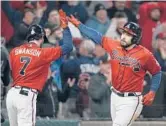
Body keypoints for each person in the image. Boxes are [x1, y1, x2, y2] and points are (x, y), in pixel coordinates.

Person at [67, 13, 162, 126]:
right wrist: (79, 25)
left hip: (131, 100)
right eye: (124, 32)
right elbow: (96, 36)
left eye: (128, 34)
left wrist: (152, 91)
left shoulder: (145, 54)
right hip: (115, 95)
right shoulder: (114, 45)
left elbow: (157, 72)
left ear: (135, 38)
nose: (124, 36)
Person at [6, 9, 73, 126]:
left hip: (11, 95)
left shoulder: (14, 51)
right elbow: (68, 47)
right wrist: (65, 27)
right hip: (26, 95)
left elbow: (12, 72)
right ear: (41, 38)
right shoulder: (43, 53)